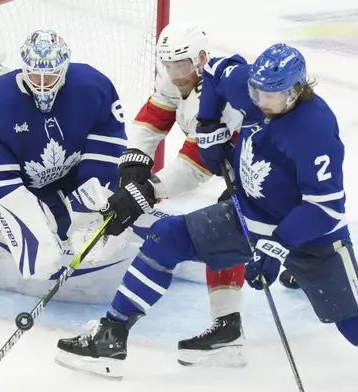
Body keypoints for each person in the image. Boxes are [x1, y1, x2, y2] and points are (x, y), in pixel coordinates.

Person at [54, 42, 358, 392]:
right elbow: (216, 74)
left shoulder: (314, 132)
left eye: (273, 95)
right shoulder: (249, 84)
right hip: (246, 215)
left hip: (311, 236)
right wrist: (208, 122)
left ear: (297, 89)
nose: (261, 101)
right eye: (258, 92)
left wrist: (276, 249)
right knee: (166, 237)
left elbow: (323, 210)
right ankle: (111, 334)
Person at [114, 23, 246, 367]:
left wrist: (148, 191)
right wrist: (136, 156)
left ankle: (230, 329)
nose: (175, 75)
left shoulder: (220, 99)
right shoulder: (177, 77)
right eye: (168, 66)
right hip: (237, 168)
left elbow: (196, 167)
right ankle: (229, 329)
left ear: (202, 59)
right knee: (230, 231)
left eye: (182, 66)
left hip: (256, 170)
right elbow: (156, 114)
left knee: (233, 229)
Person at [0, 29, 128, 286]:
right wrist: (26, 226)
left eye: (49, 76)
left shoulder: (92, 86)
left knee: (111, 218)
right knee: (44, 254)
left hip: (75, 172)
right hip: (29, 186)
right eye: (35, 75)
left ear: (64, 68)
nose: (41, 83)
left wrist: (95, 202)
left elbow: (107, 144)